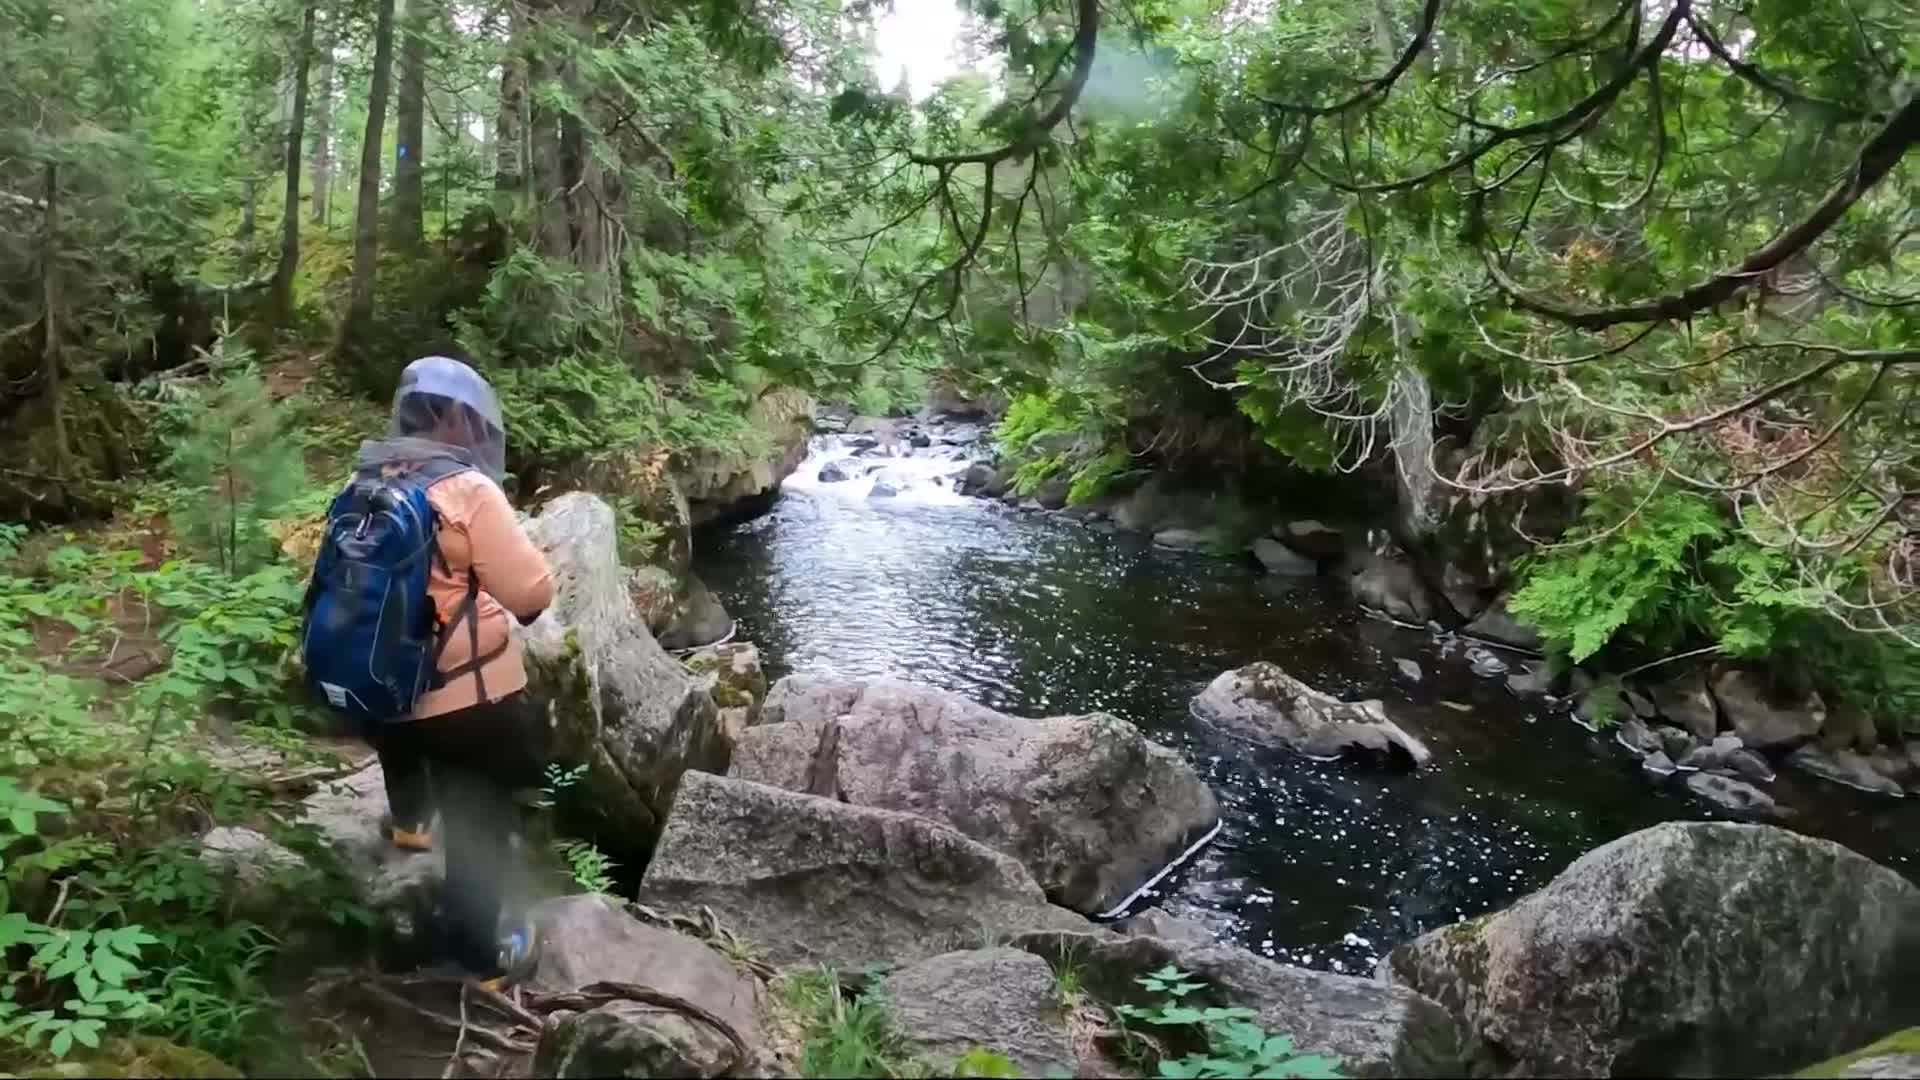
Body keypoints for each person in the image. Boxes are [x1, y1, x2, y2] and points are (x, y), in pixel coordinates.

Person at [355, 355, 555, 990]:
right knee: (479, 818)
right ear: (453, 420)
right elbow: (532, 596)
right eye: (467, 420)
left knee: (407, 718)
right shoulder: (467, 490)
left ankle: (410, 822)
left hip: (377, 684)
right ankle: (481, 961)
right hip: (461, 703)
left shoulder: (368, 477)